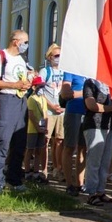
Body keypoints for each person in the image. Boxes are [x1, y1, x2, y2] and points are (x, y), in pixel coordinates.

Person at [0, 29, 33, 194]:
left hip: (21, 101)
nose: (26, 45)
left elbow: (22, 78)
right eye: (25, 42)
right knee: (3, 142)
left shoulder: (22, 59)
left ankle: (14, 179)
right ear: (16, 41)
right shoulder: (1, 56)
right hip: (6, 100)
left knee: (19, 143)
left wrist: (28, 81)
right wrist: (14, 85)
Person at [82, 76, 112, 205]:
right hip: (94, 124)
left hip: (110, 125)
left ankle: (100, 190)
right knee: (94, 160)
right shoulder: (90, 82)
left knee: (105, 161)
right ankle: (91, 192)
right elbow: (91, 105)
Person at [39, 44, 65, 180]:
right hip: (48, 112)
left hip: (62, 111)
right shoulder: (45, 72)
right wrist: (51, 106)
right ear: (50, 57)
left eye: (61, 55)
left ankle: (58, 168)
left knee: (60, 140)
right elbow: (40, 92)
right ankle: (43, 169)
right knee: (46, 140)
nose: (59, 58)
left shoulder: (65, 71)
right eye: (56, 56)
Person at [61, 70, 87, 196]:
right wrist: (84, 93)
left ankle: (80, 183)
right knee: (70, 147)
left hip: (88, 113)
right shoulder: (71, 70)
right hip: (74, 111)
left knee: (83, 149)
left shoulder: (92, 69)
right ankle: (69, 184)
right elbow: (65, 93)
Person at [25, 76, 50, 183]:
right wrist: (38, 127)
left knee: (39, 150)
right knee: (30, 149)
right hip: (32, 129)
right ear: (35, 87)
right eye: (40, 86)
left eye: (43, 87)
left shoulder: (43, 99)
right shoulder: (31, 99)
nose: (42, 89)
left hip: (41, 129)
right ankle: (27, 171)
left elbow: (45, 114)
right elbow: (31, 115)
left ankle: (36, 171)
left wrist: (45, 128)